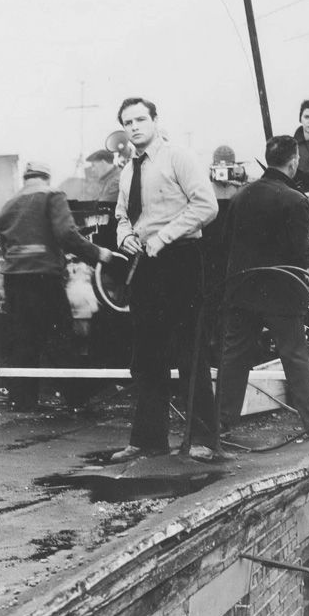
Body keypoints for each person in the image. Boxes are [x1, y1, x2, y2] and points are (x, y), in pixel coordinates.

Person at [112, 97, 219, 462]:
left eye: (141, 119)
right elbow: (122, 215)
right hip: (145, 264)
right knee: (146, 354)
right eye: (128, 122)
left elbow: (206, 206)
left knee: (189, 351)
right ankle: (148, 440)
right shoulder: (128, 171)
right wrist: (124, 236)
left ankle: (204, 440)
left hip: (180, 260)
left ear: (155, 120)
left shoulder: (178, 157)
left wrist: (165, 236)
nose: (134, 127)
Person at [216, 135, 309, 438]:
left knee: (235, 357)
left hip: (242, 290)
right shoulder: (295, 200)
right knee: (295, 356)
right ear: (294, 162)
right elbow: (300, 255)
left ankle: (221, 423)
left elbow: (226, 244)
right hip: (281, 294)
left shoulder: (241, 196)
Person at [0, 161, 116, 410]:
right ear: (47, 177)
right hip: (43, 277)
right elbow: (66, 234)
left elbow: (4, 245)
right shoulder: (52, 195)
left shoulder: (8, 204)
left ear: (26, 178)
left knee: (23, 339)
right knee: (59, 336)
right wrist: (97, 253)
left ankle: (22, 400)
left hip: (14, 279)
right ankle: (76, 398)